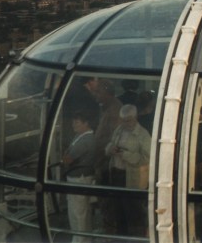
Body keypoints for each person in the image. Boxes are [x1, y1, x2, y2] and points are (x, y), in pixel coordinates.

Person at [105, 104, 152, 236]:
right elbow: (109, 143)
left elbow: (148, 157)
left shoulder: (143, 134)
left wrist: (125, 155)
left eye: (128, 120)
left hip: (132, 177)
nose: (125, 123)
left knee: (133, 213)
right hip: (116, 173)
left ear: (135, 117)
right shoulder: (119, 130)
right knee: (118, 211)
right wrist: (110, 149)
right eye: (123, 120)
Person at [63, 112, 96, 243]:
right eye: (73, 121)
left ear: (86, 123)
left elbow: (67, 159)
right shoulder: (79, 136)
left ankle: (80, 240)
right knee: (79, 213)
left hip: (79, 180)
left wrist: (66, 157)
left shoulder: (86, 140)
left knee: (79, 214)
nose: (73, 125)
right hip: (76, 179)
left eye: (77, 122)